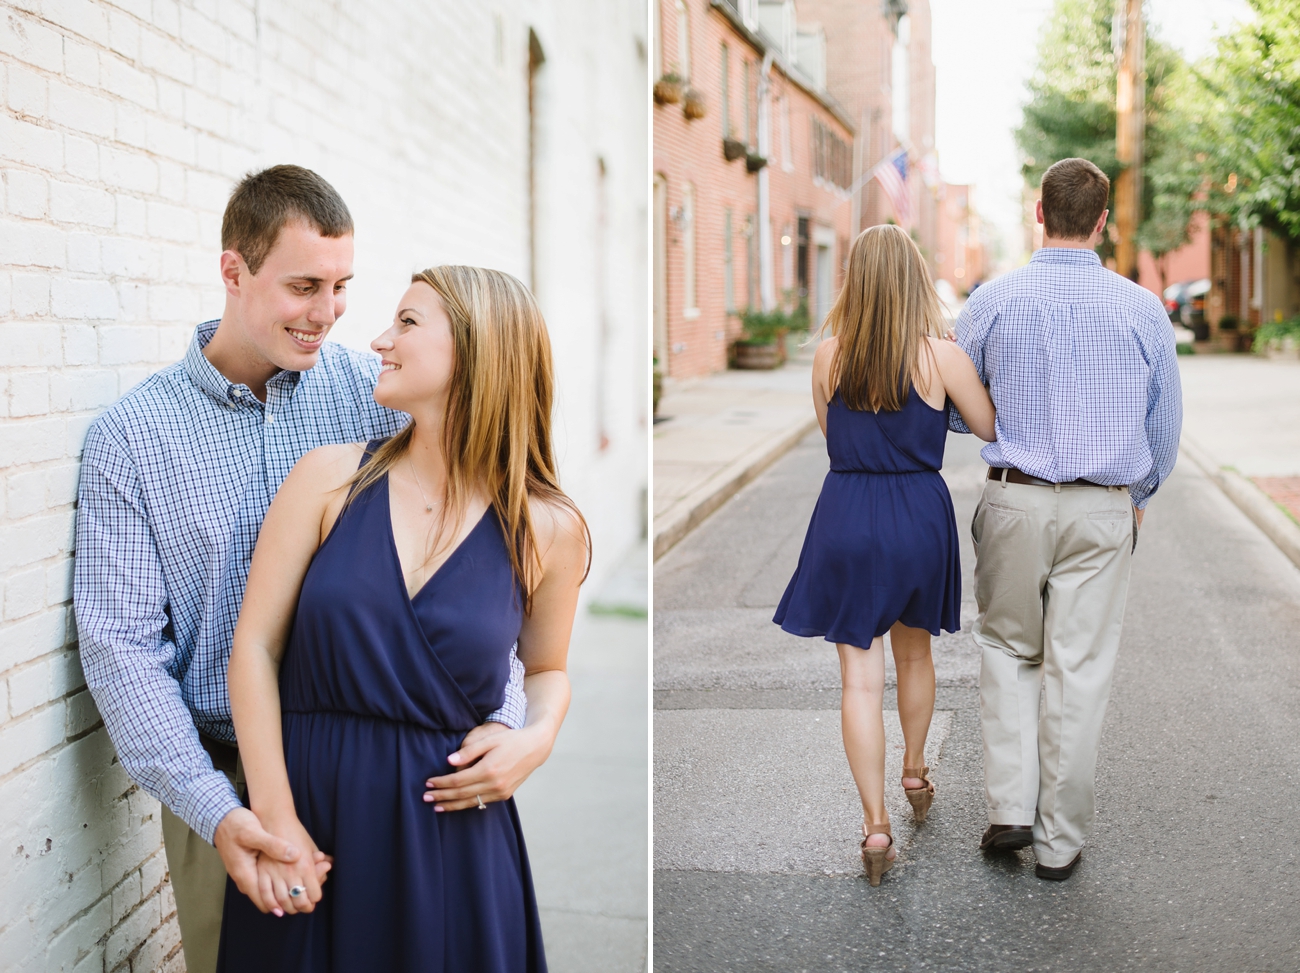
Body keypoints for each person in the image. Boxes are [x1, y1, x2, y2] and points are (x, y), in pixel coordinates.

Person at [75, 166, 548, 973]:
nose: (327, 314)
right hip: (223, 781)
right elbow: (121, 652)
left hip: (392, 785)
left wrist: (509, 720)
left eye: (340, 286)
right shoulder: (134, 438)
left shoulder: (379, 394)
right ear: (234, 270)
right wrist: (222, 812)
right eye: (302, 286)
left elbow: (472, 580)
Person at [214, 265, 588, 971]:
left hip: (451, 836)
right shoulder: (327, 478)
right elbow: (255, 648)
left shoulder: (547, 527)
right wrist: (276, 816)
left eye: (409, 322)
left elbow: (548, 669)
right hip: (311, 818)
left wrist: (534, 739)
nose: (381, 339)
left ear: (480, 349)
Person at [949, 157, 1181, 881]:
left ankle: (1011, 808)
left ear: (1039, 213)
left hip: (1014, 496)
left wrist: (1010, 420)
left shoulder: (992, 301)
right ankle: (1059, 842)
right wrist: (1136, 495)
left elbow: (956, 401)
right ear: (1103, 222)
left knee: (1008, 650)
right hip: (1104, 506)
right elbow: (1164, 427)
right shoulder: (1143, 308)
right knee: (1078, 670)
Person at [774, 224, 997, 886]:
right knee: (916, 653)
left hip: (847, 511)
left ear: (855, 281)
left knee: (859, 681)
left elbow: (832, 434)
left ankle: (875, 825)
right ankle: (916, 767)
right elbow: (988, 427)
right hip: (918, 515)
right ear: (914, 280)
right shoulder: (942, 357)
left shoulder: (826, 358)